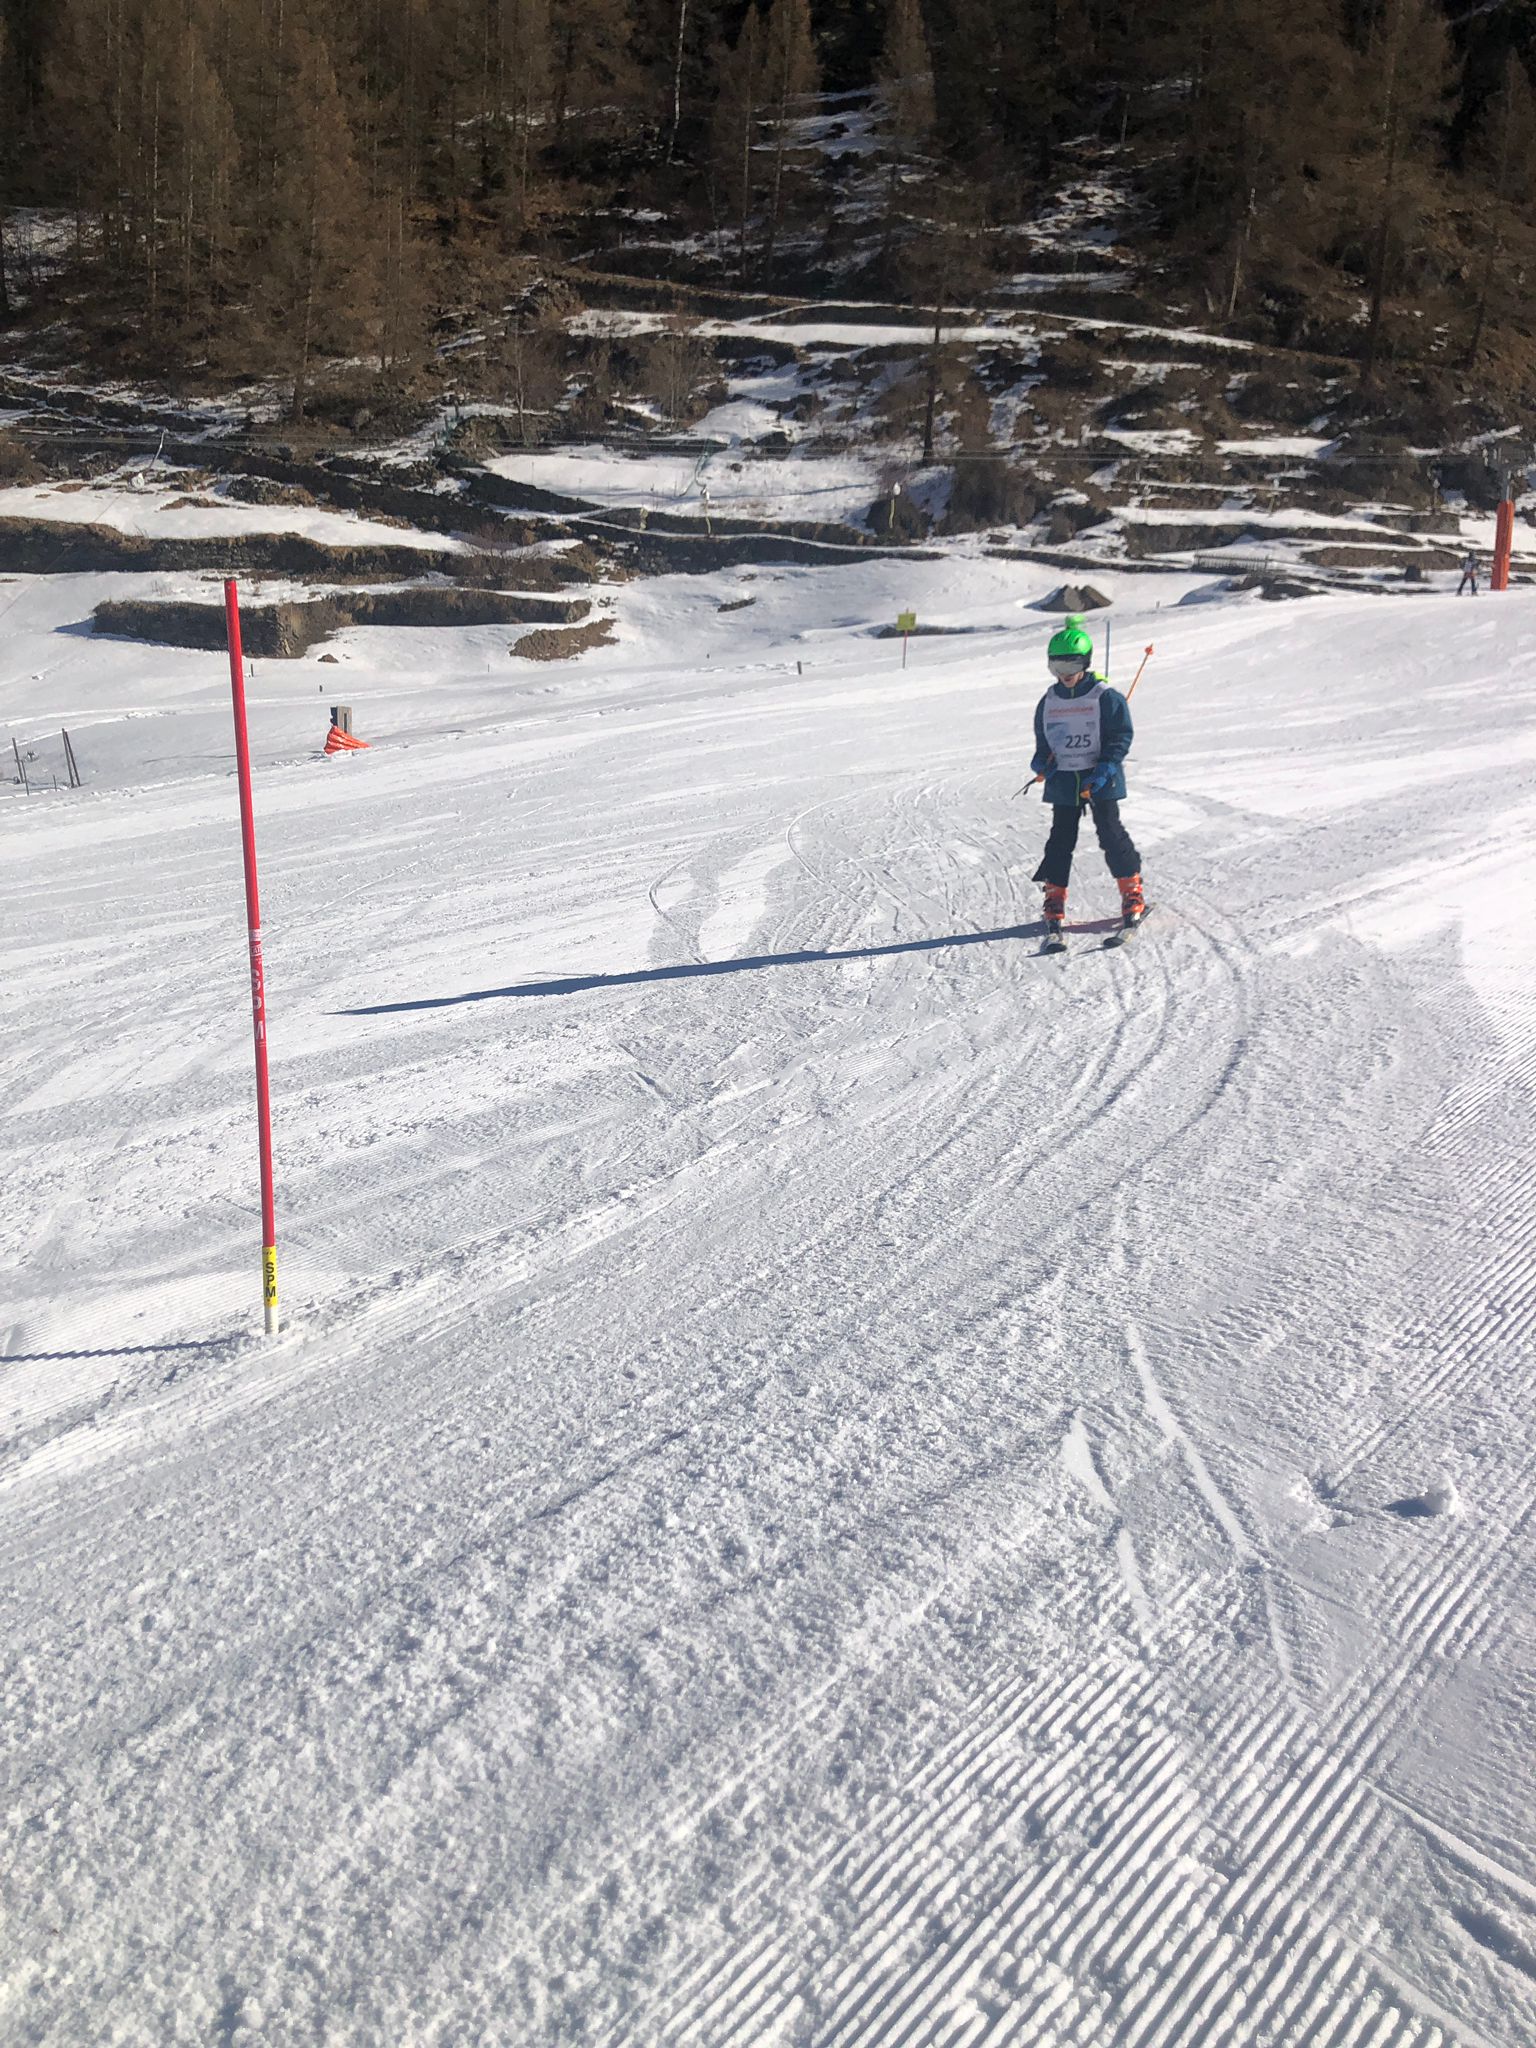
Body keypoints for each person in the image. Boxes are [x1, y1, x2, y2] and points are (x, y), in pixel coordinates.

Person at [1029, 616, 1145, 937]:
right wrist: (1041, 763)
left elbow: (1121, 735)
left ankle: (1132, 890)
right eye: (1058, 666)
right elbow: (1044, 741)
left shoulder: (1106, 697)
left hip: (1100, 778)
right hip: (1064, 780)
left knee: (1110, 832)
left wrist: (1107, 766)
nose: (1065, 674)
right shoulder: (1048, 701)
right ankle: (1054, 896)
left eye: (1073, 665)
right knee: (1060, 838)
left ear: (1087, 662)